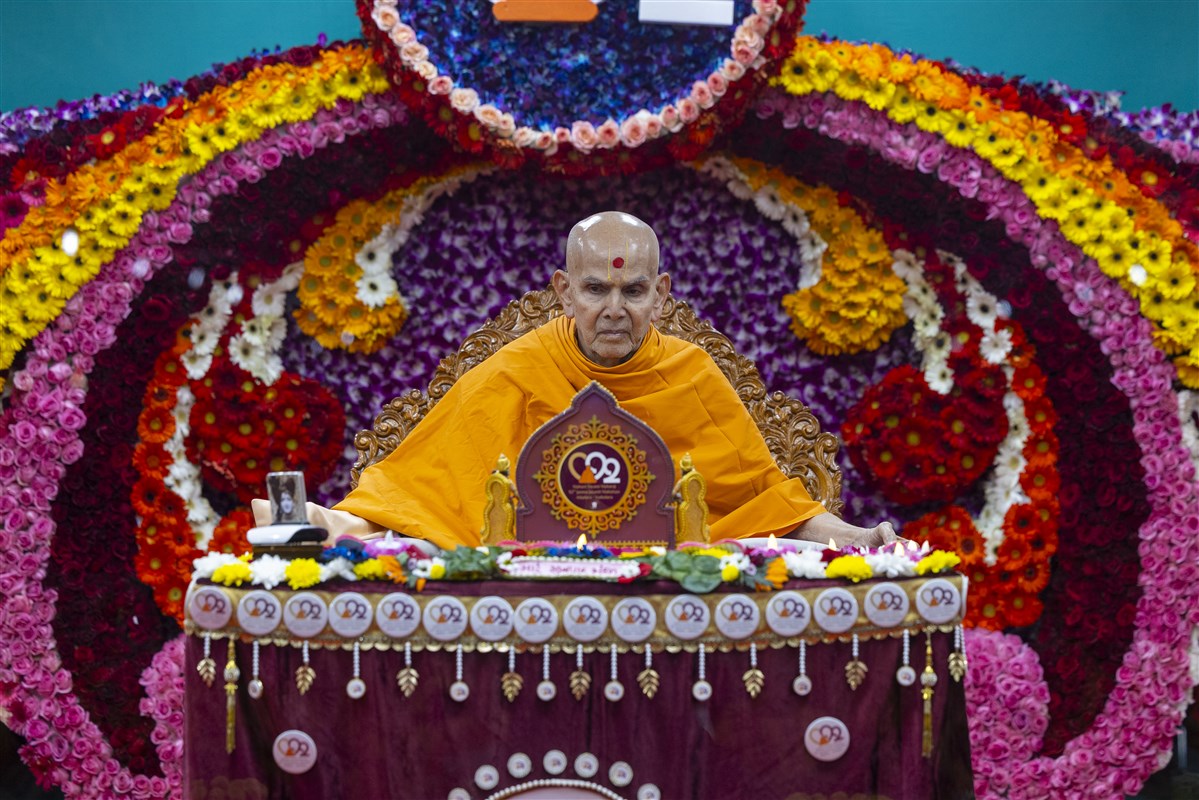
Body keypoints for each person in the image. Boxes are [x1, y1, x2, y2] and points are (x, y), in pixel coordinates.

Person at [259, 211, 896, 550]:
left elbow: (771, 505)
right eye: (595, 289)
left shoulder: (691, 374)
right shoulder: (519, 368)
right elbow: (425, 490)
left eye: (633, 291)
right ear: (564, 292)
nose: (614, 309)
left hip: (666, 594)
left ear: (660, 295)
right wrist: (331, 526)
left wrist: (856, 537)